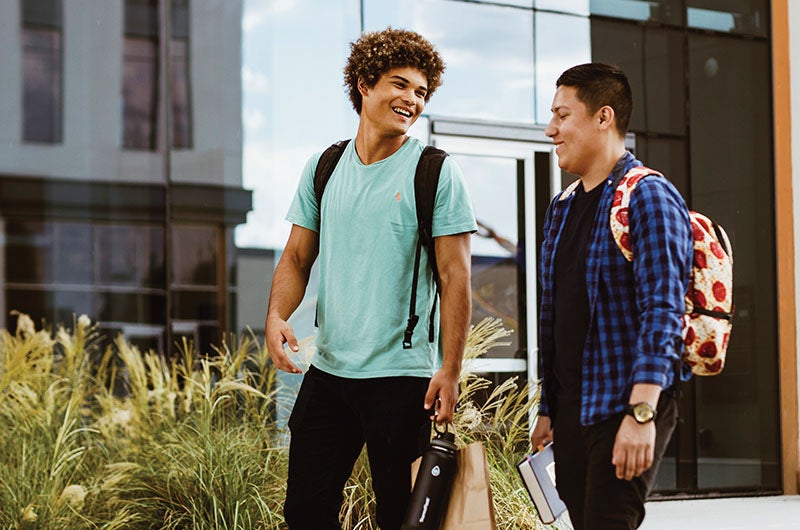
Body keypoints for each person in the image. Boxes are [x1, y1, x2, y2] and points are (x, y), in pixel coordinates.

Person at [265, 28, 476, 530]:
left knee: (402, 520)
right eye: (399, 84)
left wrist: (450, 368)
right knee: (305, 515)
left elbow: (455, 277)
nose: (411, 100)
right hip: (330, 373)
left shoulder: (435, 172)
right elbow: (296, 257)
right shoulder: (324, 166)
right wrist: (276, 315)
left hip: (403, 382)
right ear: (364, 83)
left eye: (421, 92)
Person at [530, 63, 693, 530]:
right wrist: (549, 409)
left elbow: (664, 309)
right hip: (574, 412)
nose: (551, 129)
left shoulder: (647, 195)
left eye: (563, 116)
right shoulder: (561, 208)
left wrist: (642, 413)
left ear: (604, 117)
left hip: (624, 405)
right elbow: (556, 316)